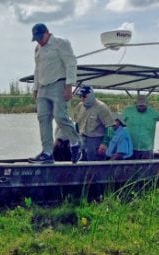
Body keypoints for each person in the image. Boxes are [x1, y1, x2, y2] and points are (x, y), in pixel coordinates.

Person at [28, 23, 81, 164]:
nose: (39, 40)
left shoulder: (60, 42)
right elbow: (37, 69)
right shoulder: (37, 49)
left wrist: (69, 86)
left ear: (47, 33)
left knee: (60, 116)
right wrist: (35, 88)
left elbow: (71, 63)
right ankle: (47, 152)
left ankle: (75, 142)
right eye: (36, 38)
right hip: (42, 87)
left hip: (59, 83)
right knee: (43, 118)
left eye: (40, 37)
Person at [122, 94, 159, 159]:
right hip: (130, 147)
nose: (141, 107)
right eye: (140, 105)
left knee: (147, 168)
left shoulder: (152, 112)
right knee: (130, 168)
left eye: (143, 105)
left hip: (147, 149)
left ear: (147, 104)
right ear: (136, 104)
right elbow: (119, 122)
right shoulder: (128, 111)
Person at [74, 86, 114, 161]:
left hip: (96, 140)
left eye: (84, 96)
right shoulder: (80, 106)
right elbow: (76, 123)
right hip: (82, 139)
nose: (82, 98)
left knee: (95, 165)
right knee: (81, 162)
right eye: (80, 96)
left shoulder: (101, 107)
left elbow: (110, 126)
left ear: (91, 95)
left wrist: (105, 143)